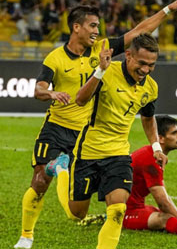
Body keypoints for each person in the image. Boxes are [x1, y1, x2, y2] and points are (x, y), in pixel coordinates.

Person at [14, 0, 177, 249]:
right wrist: (52, 93)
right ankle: (26, 236)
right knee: (41, 181)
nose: (97, 31)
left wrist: (168, 9)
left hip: (89, 134)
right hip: (58, 128)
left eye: (98, 26)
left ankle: (70, 174)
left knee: (102, 208)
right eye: (92, 26)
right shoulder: (55, 58)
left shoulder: (104, 49)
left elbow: (140, 31)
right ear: (76, 27)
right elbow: (39, 90)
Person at [50, 33, 163, 249]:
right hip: (88, 152)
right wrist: (100, 71)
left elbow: (148, 118)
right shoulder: (107, 71)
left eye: (151, 65)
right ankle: (61, 169)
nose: (146, 70)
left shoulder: (151, 87)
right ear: (128, 55)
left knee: (118, 209)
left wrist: (156, 146)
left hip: (118, 155)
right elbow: (81, 100)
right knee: (77, 214)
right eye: (142, 63)